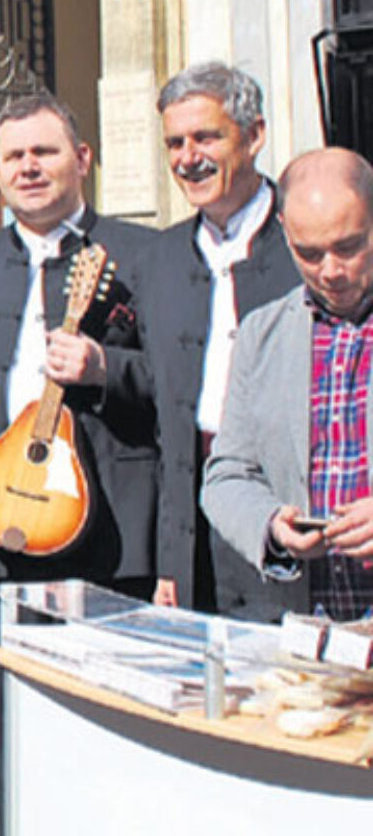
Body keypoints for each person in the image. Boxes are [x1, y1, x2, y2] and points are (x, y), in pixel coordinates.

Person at [0, 94, 157, 816]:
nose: (29, 168)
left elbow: (177, 386)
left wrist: (107, 367)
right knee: (16, 730)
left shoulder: (143, 252)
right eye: (13, 156)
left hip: (108, 536)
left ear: (83, 159)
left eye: (44, 152)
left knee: (111, 730)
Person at [134, 62, 299, 618]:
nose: (189, 158)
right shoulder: (158, 259)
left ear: (254, 136)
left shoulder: (306, 247)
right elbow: (159, 412)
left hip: (287, 518)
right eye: (175, 143)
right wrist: (169, 558)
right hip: (195, 528)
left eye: (206, 137)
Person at [203, 148, 373, 620]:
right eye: (309, 253)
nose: (331, 271)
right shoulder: (262, 335)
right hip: (306, 625)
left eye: (348, 247)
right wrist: (273, 526)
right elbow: (228, 474)